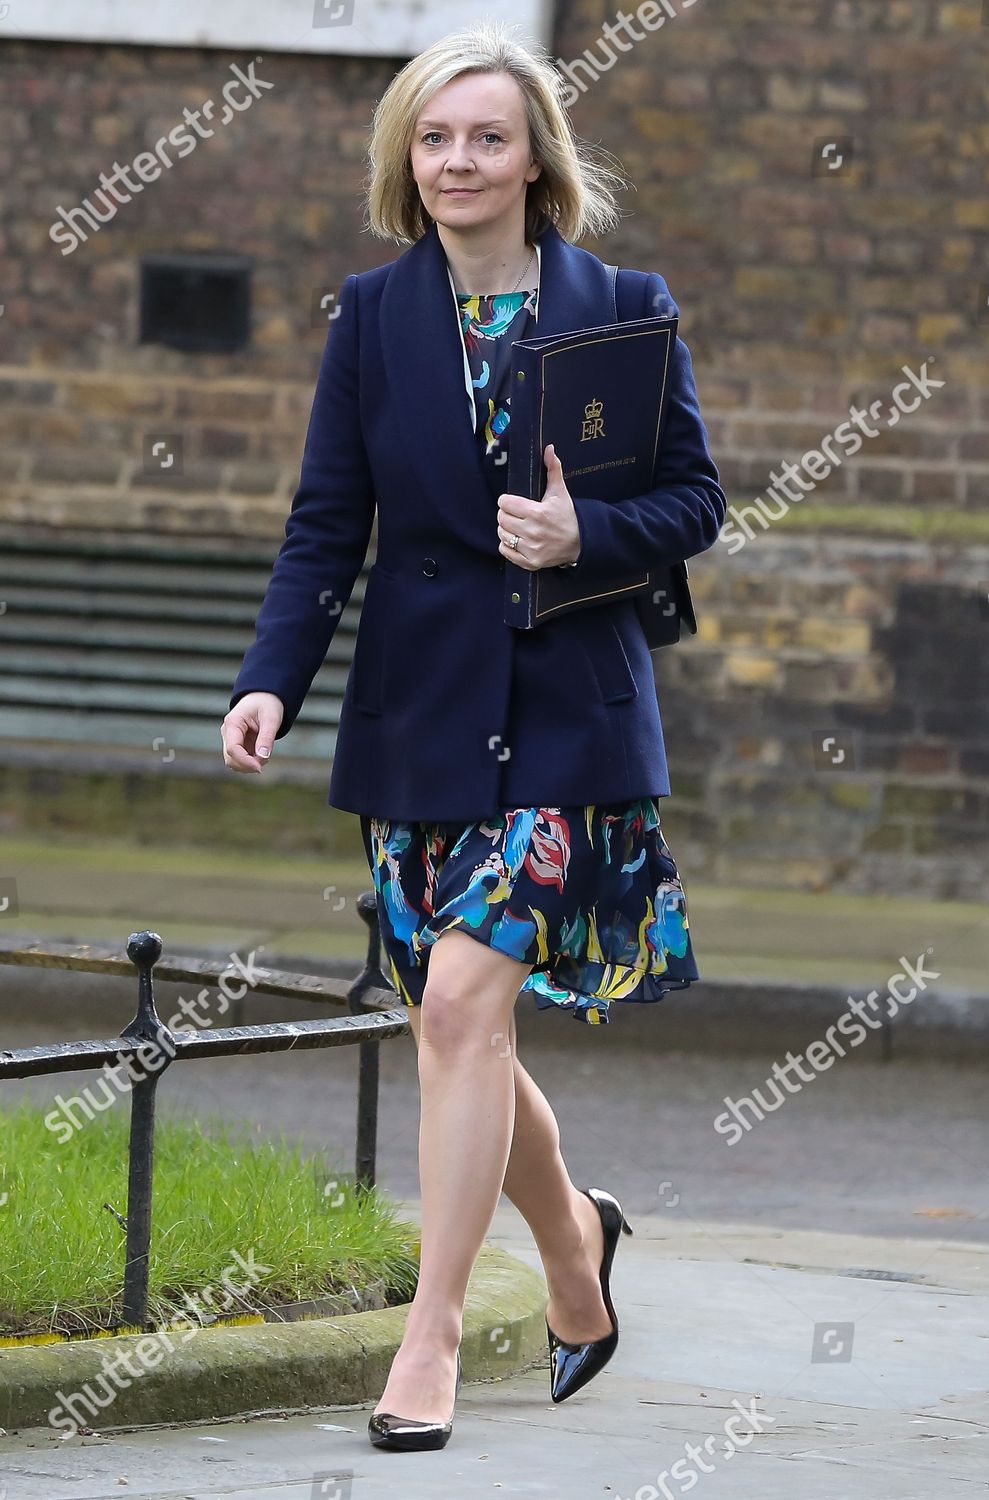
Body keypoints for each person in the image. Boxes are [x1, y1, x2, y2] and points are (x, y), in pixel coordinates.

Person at [221, 18, 726, 1453]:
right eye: (434, 137)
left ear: (534, 159)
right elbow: (328, 526)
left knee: (456, 1010)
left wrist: (585, 534)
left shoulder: (623, 307)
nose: (458, 160)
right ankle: (576, 1241)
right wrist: (272, 678)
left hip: (571, 720)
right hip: (424, 721)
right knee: (469, 1027)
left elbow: (695, 501)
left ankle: (430, 1333)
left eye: (486, 136)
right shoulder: (370, 319)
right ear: (407, 157)